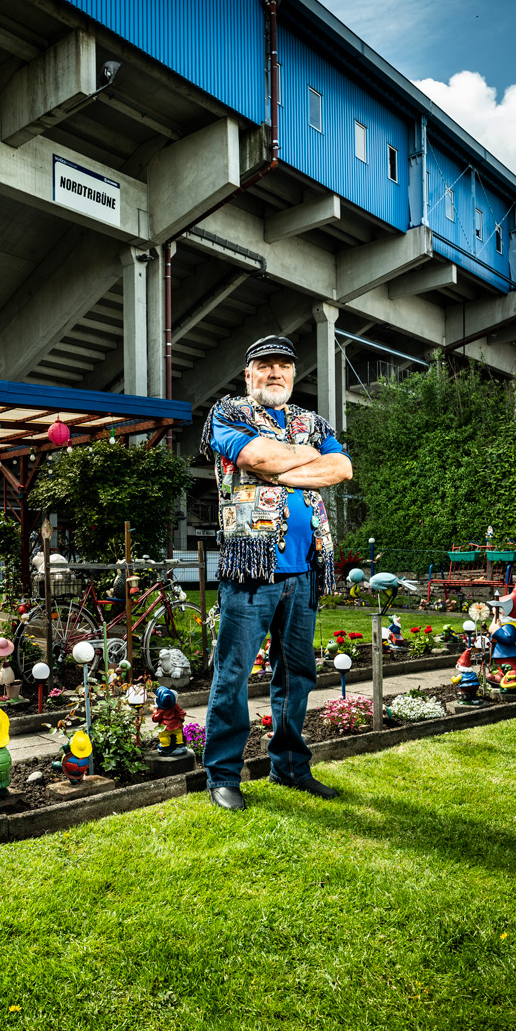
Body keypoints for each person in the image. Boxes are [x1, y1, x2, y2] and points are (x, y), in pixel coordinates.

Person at [199, 334, 353, 810]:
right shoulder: (228, 414)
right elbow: (254, 458)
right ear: (249, 374)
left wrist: (284, 468)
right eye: (264, 366)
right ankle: (223, 774)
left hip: (305, 569)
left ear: (292, 374)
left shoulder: (311, 420)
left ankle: (289, 766)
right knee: (234, 674)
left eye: (283, 367)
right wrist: (303, 456)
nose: (275, 374)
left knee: (298, 675)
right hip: (252, 567)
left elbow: (342, 468)